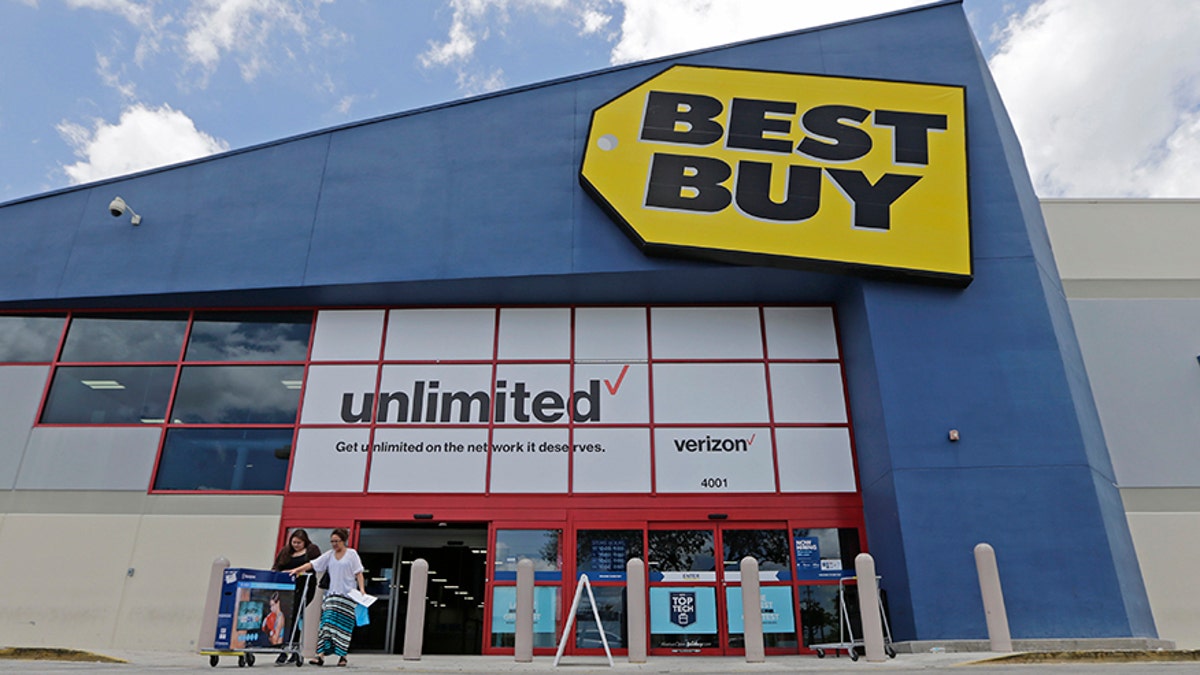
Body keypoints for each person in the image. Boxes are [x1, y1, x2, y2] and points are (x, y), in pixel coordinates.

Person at [286, 528, 365, 667]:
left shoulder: (352, 554)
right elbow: (313, 564)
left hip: (347, 596)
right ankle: (320, 655)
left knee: (343, 628)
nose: (334, 544)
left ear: (343, 541)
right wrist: (297, 570)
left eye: (337, 541)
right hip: (332, 595)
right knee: (326, 625)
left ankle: (342, 656)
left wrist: (362, 590)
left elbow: (359, 573)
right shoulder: (329, 555)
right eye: (332, 541)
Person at [272, 529, 322, 663]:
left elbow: (316, 565)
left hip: (304, 587)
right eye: (294, 542)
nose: (296, 545)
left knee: (295, 616)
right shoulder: (286, 551)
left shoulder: (311, 550)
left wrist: (299, 571)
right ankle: (283, 649)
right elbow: (277, 566)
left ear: (304, 542)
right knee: (285, 617)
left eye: (299, 543)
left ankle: (294, 649)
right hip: (287, 589)